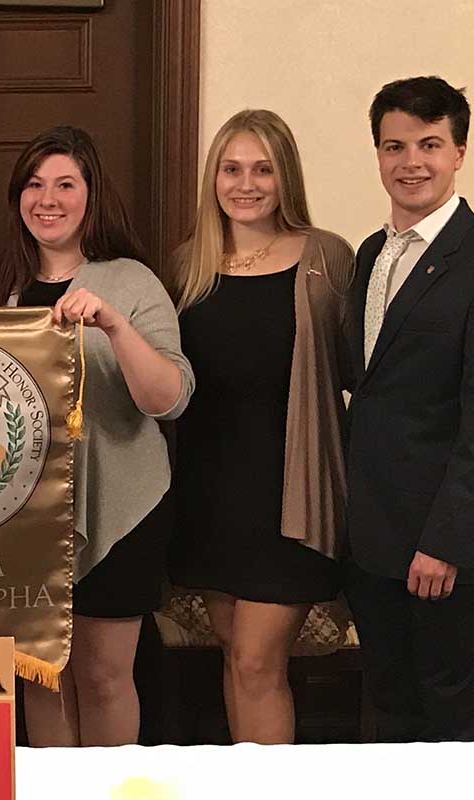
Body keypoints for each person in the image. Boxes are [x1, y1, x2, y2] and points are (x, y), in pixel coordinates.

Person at [0, 126, 193, 746]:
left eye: (65, 184)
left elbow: (168, 400)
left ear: (91, 196)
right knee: (40, 676)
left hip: (120, 504)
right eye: (35, 185)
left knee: (102, 676)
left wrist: (116, 327)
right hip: (21, 516)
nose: (49, 199)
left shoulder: (132, 281)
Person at [345, 76, 474, 741]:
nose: (411, 162)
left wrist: (444, 543)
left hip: (446, 544)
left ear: (459, 152)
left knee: (452, 726)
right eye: (394, 146)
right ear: (377, 154)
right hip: (372, 539)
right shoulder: (370, 255)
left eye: (429, 144)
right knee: (389, 711)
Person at [165, 110, 355, 744]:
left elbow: (364, 370)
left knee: (256, 660)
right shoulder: (188, 263)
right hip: (209, 492)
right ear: (213, 177)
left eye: (262, 168)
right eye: (231, 168)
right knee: (235, 658)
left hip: (291, 496)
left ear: (286, 176)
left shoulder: (328, 256)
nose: (245, 184)